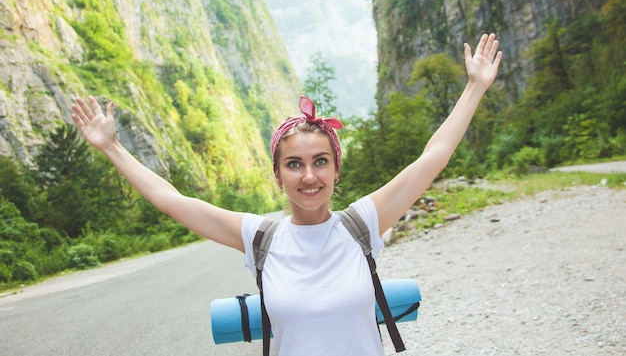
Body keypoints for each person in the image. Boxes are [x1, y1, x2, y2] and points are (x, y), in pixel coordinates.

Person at [71, 33, 502, 356]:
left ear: (336, 169)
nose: (308, 176)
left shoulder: (363, 223)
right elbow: (172, 201)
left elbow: (434, 157)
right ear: (277, 176)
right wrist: (111, 146)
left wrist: (475, 86)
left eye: (320, 161)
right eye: (293, 164)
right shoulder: (261, 238)